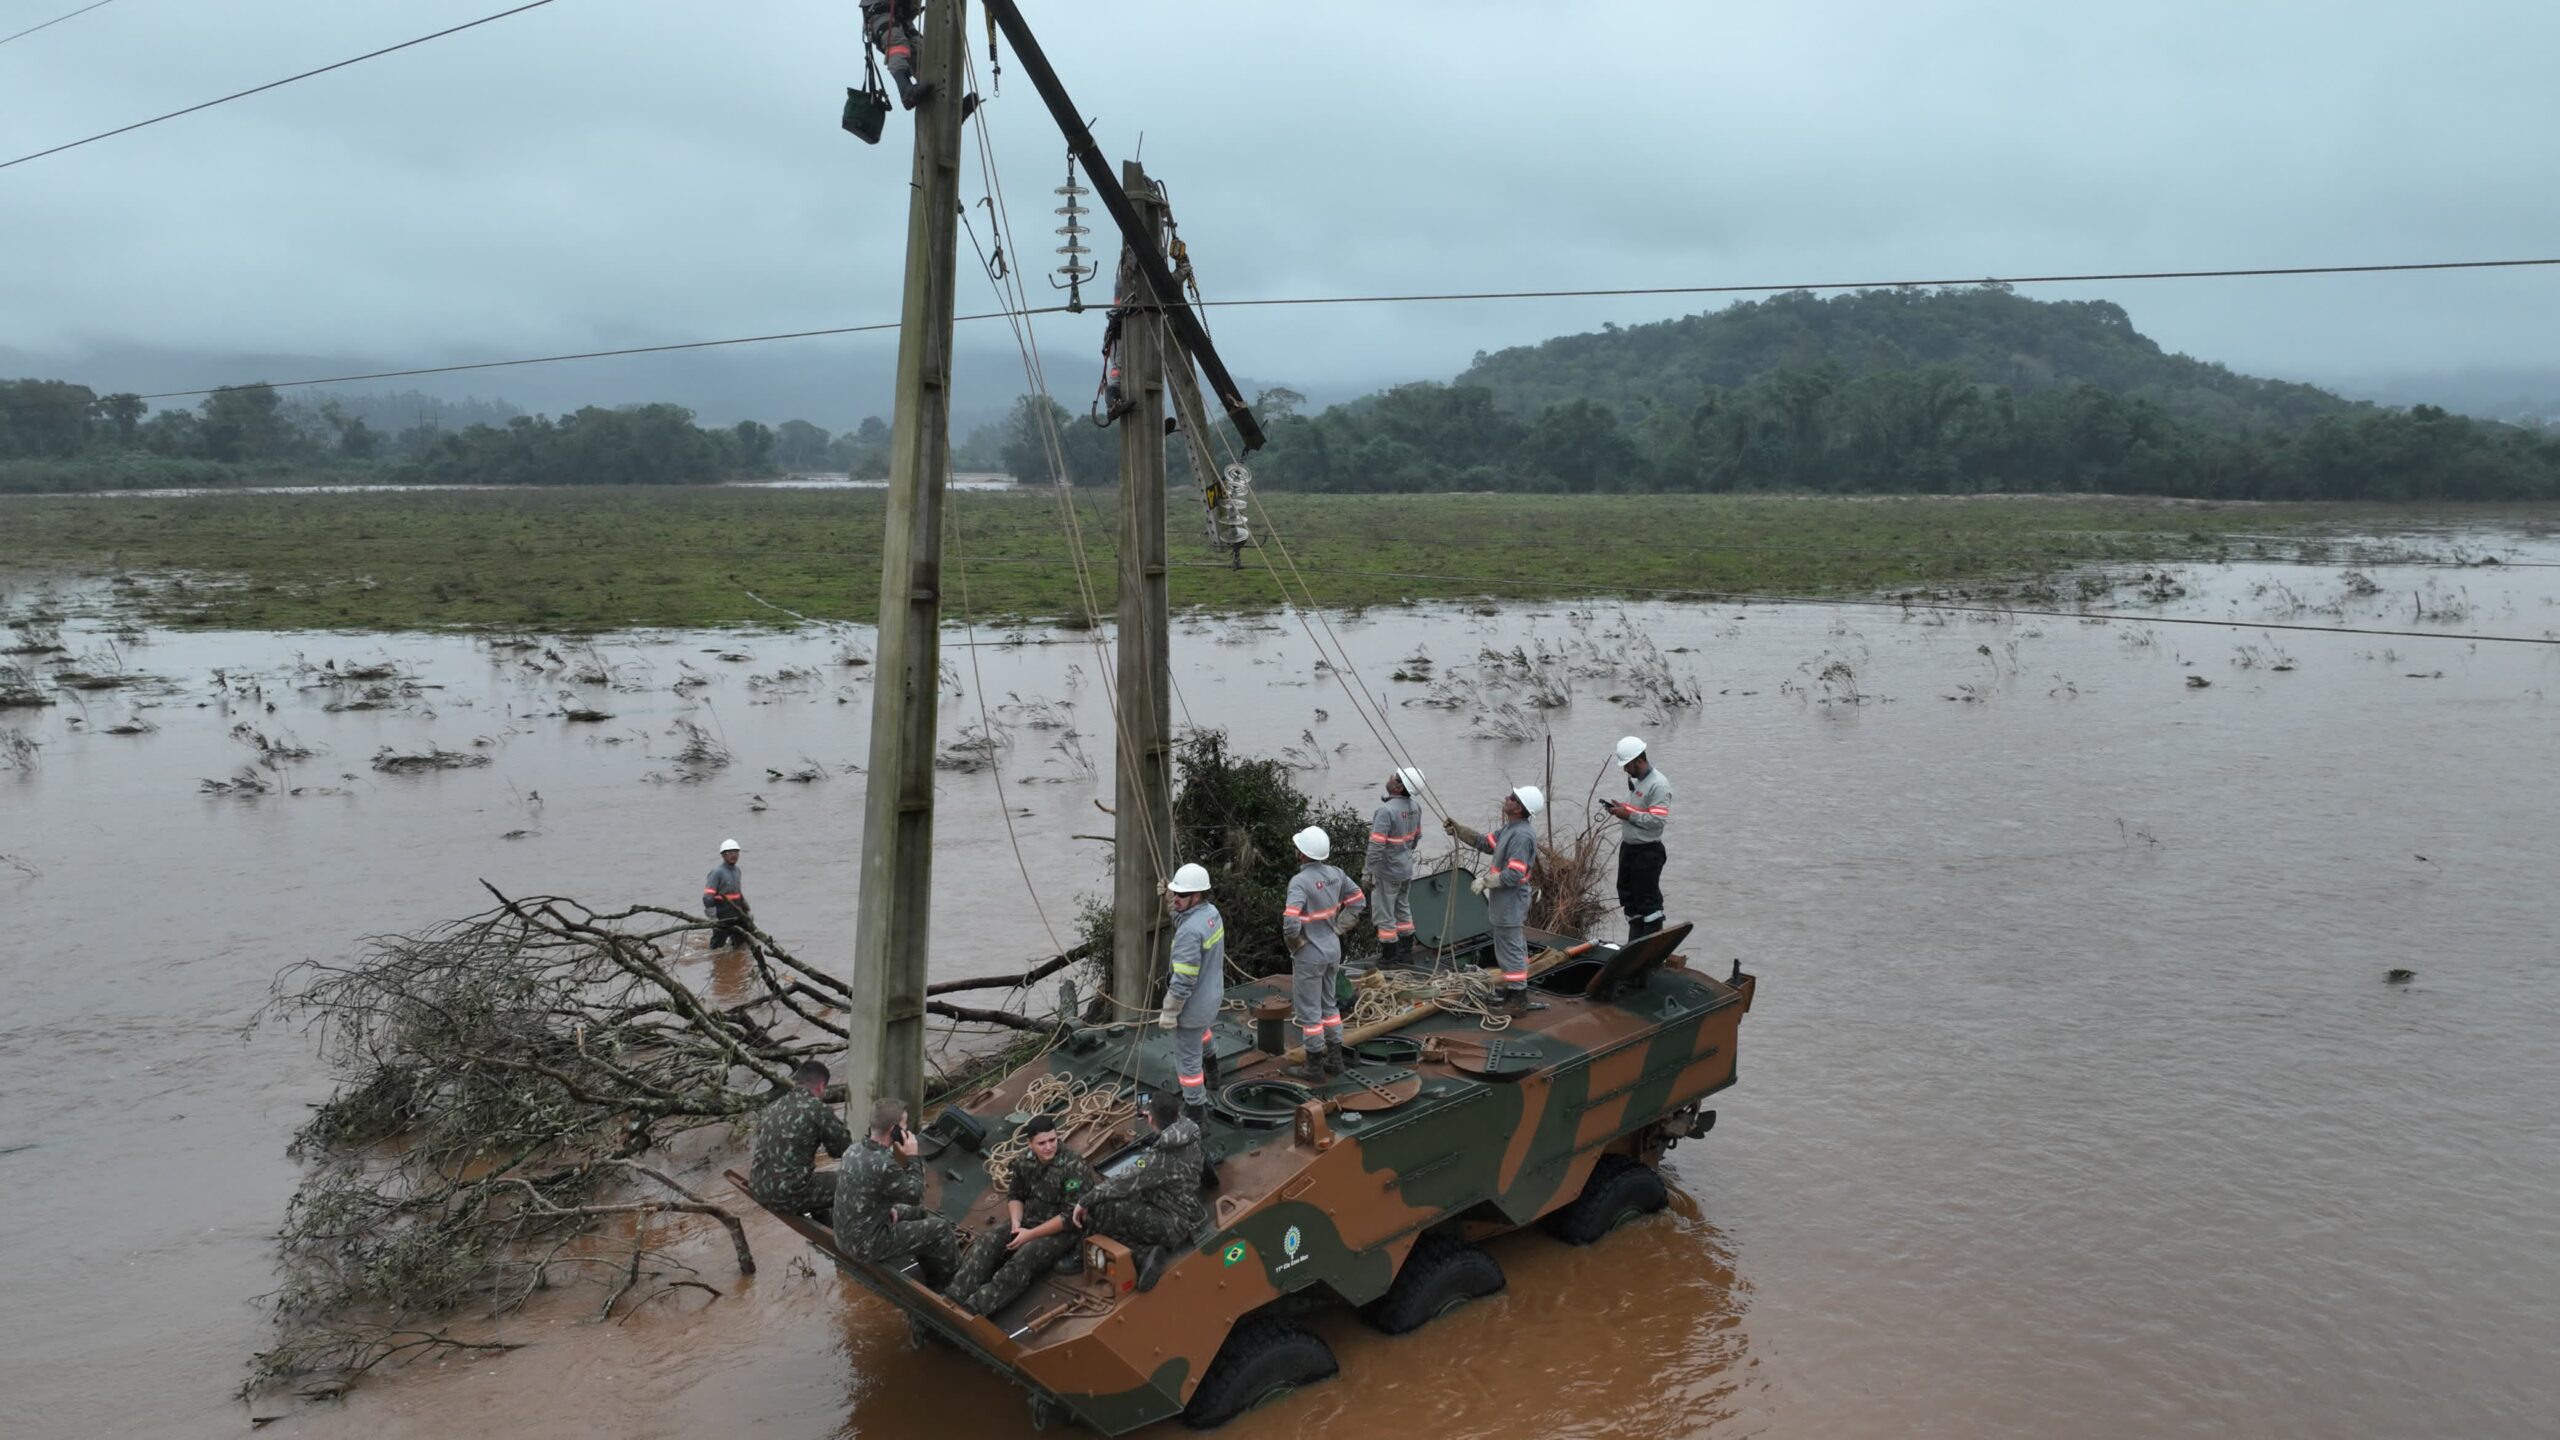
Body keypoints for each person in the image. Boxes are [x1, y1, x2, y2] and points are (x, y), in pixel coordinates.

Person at [943, 1115, 1097, 1316]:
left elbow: (1069, 1218)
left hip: (1062, 1232)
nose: (1049, 1147)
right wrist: (1016, 1224)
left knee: (1025, 1257)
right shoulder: (1026, 1160)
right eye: (1042, 1143)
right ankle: (953, 1296)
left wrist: (1030, 1235)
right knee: (989, 1241)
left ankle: (974, 1309)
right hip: (1028, 1220)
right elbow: (1015, 1195)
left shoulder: (1073, 1166)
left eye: (1053, 1140)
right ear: (1030, 1143)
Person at [1074, 1091, 1208, 1293]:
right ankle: (1143, 1254)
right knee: (1125, 1200)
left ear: (1151, 1118)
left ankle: (1097, 1252)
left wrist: (1085, 1201)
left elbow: (1123, 1182)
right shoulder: (1189, 1129)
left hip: (1171, 1223)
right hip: (1181, 1206)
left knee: (1104, 1208)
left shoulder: (1159, 1158)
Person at [833, 1097, 960, 1287]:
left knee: (918, 1214)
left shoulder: (853, 1150)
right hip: (866, 1246)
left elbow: (865, 1192)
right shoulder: (884, 1164)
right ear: (894, 1130)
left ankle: (929, 1267)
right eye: (905, 1124)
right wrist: (912, 1157)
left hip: (844, 1237)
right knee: (941, 1228)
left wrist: (887, 1208)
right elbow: (915, 1194)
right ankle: (950, 1283)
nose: (907, 1129)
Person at [1443, 786, 1543, 1014]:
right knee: (1506, 946)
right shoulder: (1510, 828)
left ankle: (1517, 998)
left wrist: (1486, 882)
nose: (1507, 798)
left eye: (1512, 798)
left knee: (1511, 947)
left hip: (1511, 901)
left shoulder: (1521, 835)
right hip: (1504, 900)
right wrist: (1459, 830)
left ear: (1519, 808)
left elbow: (1515, 874)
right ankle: (1512, 990)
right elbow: (1485, 843)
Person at [1158, 865, 1227, 1184]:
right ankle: (1213, 1069)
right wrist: (1168, 900)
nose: (1176, 899)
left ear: (1196, 895)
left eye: (1181, 895)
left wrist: (1170, 1011)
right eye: (1175, 894)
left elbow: (1183, 979)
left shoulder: (1189, 931)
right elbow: (1184, 919)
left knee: (1187, 1064)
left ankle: (1197, 1112)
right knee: (1204, 1033)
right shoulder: (1210, 913)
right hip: (1211, 997)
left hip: (1193, 1002)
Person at [1279, 826, 1364, 1082]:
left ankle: (1313, 1066)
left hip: (1310, 954)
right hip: (1331, 949)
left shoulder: (1299, 882)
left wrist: (1295, 944)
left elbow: (1291, 923)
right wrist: (1339, 927)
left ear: (1302, 854)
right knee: (1330, 1005)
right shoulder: (1336, 874)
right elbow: (1359, 901)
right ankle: (1335, 1060)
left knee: (1309, 1014)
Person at [747, 1059, 851, 1223]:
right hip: (790, 1195)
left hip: (759, 1190)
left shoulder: (770, 1108)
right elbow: (843, 1150)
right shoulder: (817, 1108)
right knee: (856, 1180)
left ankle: (829, 1225)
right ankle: (861, 1233)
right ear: (821, 1086)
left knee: (813, 1179)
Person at [1605, 736, 1673, 942]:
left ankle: (1648, 952)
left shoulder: (1659, 785)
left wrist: (1627, 815)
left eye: (1627, 765)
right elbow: (1642, 810)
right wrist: (1624, 809)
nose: (1625, 770)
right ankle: (1633, 946)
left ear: (1639, 760)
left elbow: (1657, 821)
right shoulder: (1637, 781)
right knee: (1628, 898)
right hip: (1630, 850)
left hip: (1648, 852)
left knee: (1648, 903)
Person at [1362, 768, 1427, 969]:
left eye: (1394, 777)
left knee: (1385, 914)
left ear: (1399, 786)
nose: (1389, 778)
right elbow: (1416, 838)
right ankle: (1405, 952)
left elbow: (1376, 846)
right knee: (1403, 909)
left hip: (1387, 871)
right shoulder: (1416, 807)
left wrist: (1367, 872)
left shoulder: (1385, 811)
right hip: (1405, 868)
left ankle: (1388, 957)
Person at [860, 0, 933, 110]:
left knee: (922, 52)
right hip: (880, 13)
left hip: (901, 17)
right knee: (897, 45)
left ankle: (944, 107)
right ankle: (906, 92)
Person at [703, 839, 751, 952]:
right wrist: (713, 918)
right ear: (723, 855)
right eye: (730, 852)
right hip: (722, 914)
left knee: (740, 943)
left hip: (737, 913)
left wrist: (746, 910)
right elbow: (707, 897)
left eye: (736, 852)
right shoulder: (717, 872)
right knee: (717, 947)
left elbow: (738, 892)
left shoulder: (737, 871)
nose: (734, 855)